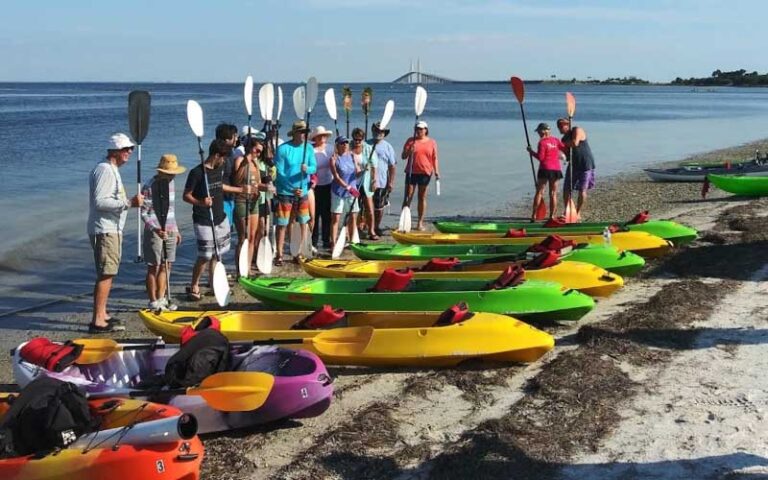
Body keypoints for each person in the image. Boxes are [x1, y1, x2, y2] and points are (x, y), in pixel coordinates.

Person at [87, 133, 143, 333]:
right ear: (115, 151)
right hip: (105, 229)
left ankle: (102, 314)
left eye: (130, 149)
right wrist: (129, 203)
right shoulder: (105, 170)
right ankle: (97, 320)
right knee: (106, 273)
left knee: (109, 272)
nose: (129, 152)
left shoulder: (112, 169)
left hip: (111, 229)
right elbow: (100, 202)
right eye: (126, 149)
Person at [183, 139, 241, 300]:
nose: (224, 161)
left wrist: (240, 190)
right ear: (216, 155)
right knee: (205, 255)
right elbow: (186, 196)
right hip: (203, 218)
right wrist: (201, 202)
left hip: (219, 216)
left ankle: (213, 283)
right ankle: (194, 284)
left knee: (218, 253)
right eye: (223, 157)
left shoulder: (219, 168)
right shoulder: (197, 173)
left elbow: (220, 186)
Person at [140, 154, 185, 311]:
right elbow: (144, 213)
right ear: (162, 171)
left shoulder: (171, 183)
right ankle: (153, 301)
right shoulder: (149, 186)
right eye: (170, 173)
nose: (173, 176)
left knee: (168, 264)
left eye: (174, 173)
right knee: (154, 265)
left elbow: (171, 210)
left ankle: (162, 297)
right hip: (155, 231)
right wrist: (156, 229)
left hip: (171, 228)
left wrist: (176, 229)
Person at [273, 120, 317, 265]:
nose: (304, 135)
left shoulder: (308, 148)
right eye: (302, 132)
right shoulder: (283, 149)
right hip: (285, 191)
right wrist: (291, 188)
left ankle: (297, 252)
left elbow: (313, 167)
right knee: (283, 223)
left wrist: (307, 169)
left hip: (302, 191)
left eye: (306, 132)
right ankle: (279, 254)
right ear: (295, 133)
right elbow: (279, 173)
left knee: (303, 222)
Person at [232, 132, 274, 276]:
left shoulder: (256, 163)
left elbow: (257, 184)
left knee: (252, 236)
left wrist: (267, 187)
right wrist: (247, 159)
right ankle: (239, 270)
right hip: (241, 201)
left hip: (254, 201)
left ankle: (248, 267)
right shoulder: (239, 160)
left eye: (260, 151)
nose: (258, 153)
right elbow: (237, 180)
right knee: (243, 237)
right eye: (256, 150)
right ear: (249, 148)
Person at [401, 120, 439, 231]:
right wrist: (409, 151)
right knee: (408, 197)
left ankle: (420, 223)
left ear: (426, 130)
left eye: (421, 129)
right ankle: (404, 222)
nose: (419, 131)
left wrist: (437, 171)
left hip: (425, 172)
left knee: (421, 197)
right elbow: (403, 156)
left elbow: (434, 158)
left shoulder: (432, 142)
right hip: (411, 172)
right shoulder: (410, 141)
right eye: (417, 129)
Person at [557, 118, 596, 216]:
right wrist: (560, 155)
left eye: (562, 126)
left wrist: (561, 145)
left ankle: (578, 212)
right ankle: (568, 211)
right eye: (558, 126)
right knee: (566, 189)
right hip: (573, 165)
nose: (560, 128)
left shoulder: (577, 130)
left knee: (582, 189)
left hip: (586, 164)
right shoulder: (564, 139)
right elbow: (566, 153)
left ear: (568, 125)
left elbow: (575, 143)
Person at [526, 122, 565, 221]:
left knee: (539, 192)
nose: (538, 133)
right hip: (556, 169)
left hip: (544, 169)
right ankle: (552, 216)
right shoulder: (556, 140)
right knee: (553, 193)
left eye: (539, 131)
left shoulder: (541, 143)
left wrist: (531, 152)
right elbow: (565, 148)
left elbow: (541, 158)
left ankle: (534, 215)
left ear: (544, 131)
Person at [329, 136, 361, 248]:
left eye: (346, 142)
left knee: (352, 216)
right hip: (338, 192)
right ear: (337, 145)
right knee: (336, 218)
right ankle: (333, 243)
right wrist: (348, 188)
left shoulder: (352, 156)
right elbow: (336, 177)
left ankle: (352, 241)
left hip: (352, 192)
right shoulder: (333, 159)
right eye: (342, 143)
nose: (345, 145)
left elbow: (357, 173)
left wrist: (364, 171)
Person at [367, 121, 396, 237]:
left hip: (382, 182)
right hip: (366, 182)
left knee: (379, 207)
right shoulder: (365, 144)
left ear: (384, 133)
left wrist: (391, 182)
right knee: (365, 207)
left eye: (381, 131)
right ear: (372, 130)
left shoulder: (388, 147)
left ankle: (376, 226)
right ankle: (366, 227)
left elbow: (392, 166)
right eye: (376, 130)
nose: (378, 133)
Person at [351, 127, 378, 240]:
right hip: (352, 182)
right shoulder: (348, 147)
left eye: (360, 139)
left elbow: (374, 166)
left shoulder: (368, 148)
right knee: (353, 208)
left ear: (362, 139)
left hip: (366, 182)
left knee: (369, 208)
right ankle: (355, 229)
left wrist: (374, 181)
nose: (357, 142)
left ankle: (371, 230)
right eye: (356, 139)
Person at [310, 126, 335, 250]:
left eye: (324, 135)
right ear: (315, 138)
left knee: (327, 215)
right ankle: (313, 241)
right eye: (320, 136)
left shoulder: (331, 149)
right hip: (314, 187)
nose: (322, 138)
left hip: (328, 184)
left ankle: (326, 240)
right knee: (314, 214)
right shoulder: (310, 150)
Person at [216, 123, 239, 228]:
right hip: (222, 200)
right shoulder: (220, 157)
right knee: (224, 229)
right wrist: (240, 190)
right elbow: (218, 183)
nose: (237, 138)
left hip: (231, 198)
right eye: (235, 136)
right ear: (226, 139)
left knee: (230, 229)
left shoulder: (231, 152)